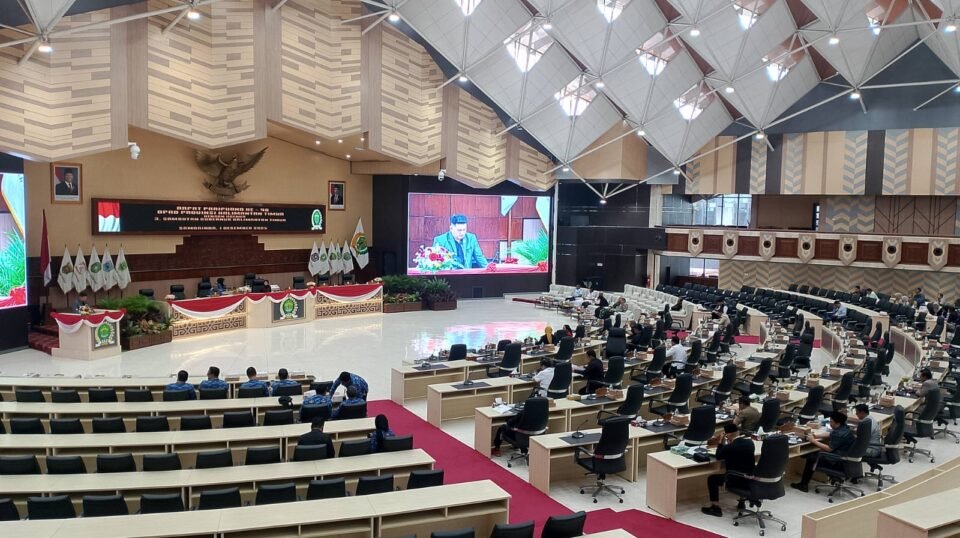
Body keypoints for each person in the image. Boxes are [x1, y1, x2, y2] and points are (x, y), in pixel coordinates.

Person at [791, 411, 856, 492]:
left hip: (838, 460)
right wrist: (816, 436)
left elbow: (829, 449)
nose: (830, 423)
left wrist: (813, 441)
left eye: (831, 422)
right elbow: (831, 434)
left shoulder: (839, 434)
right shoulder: (844, 428)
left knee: (811, 458)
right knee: (811, 454)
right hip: (846, 457)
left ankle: (803, 485)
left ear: (837, 423)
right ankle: (834, 477)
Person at [701, 423, 755, 517]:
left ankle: (715, 507)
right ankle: (741, 501)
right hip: (749, 478)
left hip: (734, 479)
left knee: (712, 479)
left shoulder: (729, 447)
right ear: (738, 432)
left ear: (728, 434)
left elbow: (718, 456)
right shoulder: (750, 443)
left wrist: (720, 442)